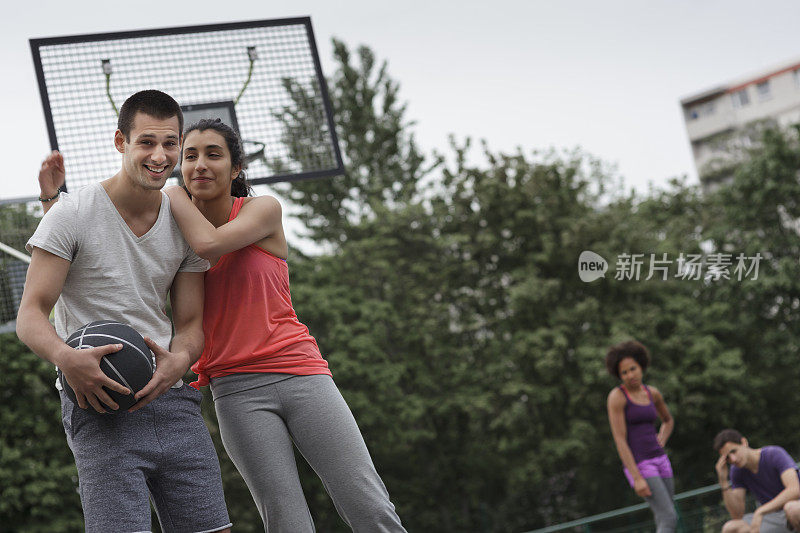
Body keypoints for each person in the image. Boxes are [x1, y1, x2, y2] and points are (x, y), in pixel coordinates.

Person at [162, 118, 406, 532]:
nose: (200, 165)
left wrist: (171, 190)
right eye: (190, 156)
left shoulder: (262, 209)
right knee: (286, 522)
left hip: (302, 375)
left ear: (237, 168)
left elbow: (211, 244)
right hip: (235, 391)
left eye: (213, 154)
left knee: (368, 506)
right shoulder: (173, 236)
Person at [17, 90, 231, 532]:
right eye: (147, 142)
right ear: (120, 142)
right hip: (97, 401)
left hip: (172, 397)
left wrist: (182, 358)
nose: (160, 155)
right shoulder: (70, 214)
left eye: (170, 143)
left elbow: (190, 324)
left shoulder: (184, 221)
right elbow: (31, 314)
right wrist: (65, 358)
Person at [606, 340, 677, 532]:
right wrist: (637, 478)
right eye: (624, 373)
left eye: (633, 369)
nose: (630, 375)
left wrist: (662, 438)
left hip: (661, 459)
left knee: (666, 516)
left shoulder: (652, 393)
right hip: (641, 465)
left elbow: (668, 420)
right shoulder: (617, 397)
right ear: (618, 375)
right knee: (669, 517)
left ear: (641, 366)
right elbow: (620, 440)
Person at [714, 429, 800, 532]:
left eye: (734, 451)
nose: (733, 459)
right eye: (727, 458)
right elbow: (737, 515)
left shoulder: (774, 453)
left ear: (744, 442)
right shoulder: (737, 471)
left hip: (795, 506)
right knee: (731, 528)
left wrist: (760, 511)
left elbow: (794, 490)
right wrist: (723, 481)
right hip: (774, 517)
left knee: (792, 508)